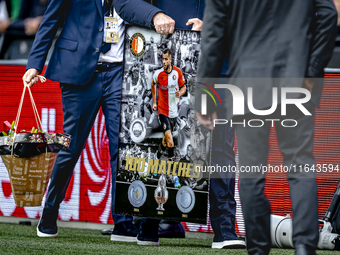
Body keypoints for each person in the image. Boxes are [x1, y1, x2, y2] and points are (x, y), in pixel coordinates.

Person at [20, 0, 172, 244]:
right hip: (78, 73)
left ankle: (122, 223)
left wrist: (157, 16)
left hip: (120, 74)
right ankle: (49, 213)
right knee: (70, 149)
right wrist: (35, 64)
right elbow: (49, 21)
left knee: (121, 152)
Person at [196, 0, 337, 254]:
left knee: (252, 171)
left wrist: (206, 95)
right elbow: (328, 15)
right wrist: (312, 70)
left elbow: (214, 33)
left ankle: (258, 249)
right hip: (296, 79)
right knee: (300, 165)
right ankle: (305, 247)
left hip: (247, 79)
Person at [115, 0, 245, 248]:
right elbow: (123, 2)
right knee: (160, 143)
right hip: (162, 63)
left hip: (221, 67)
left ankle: (225, 228)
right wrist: (155, 15)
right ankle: (149, 223)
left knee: (221, 149)